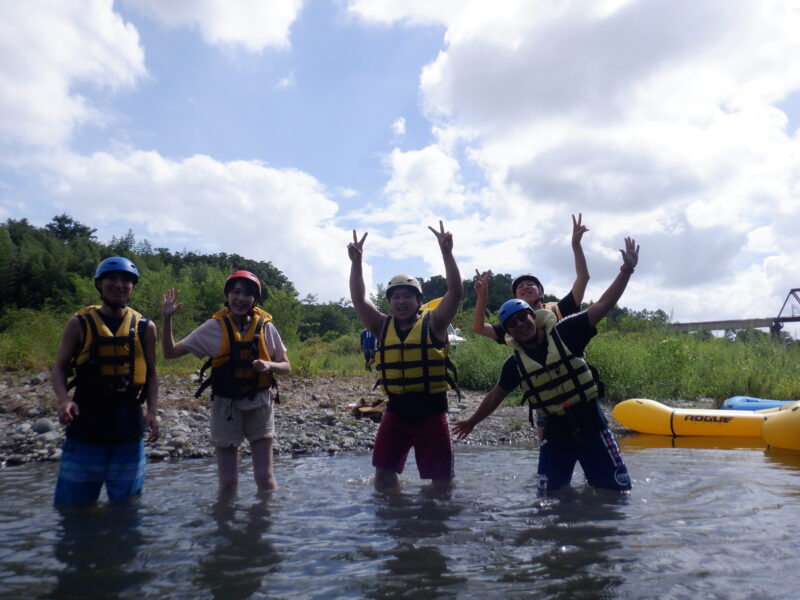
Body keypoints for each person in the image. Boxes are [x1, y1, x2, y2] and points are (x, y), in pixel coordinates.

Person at [453, 237, 639, 493]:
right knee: (548, 498)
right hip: (553, 428)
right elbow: (495, 395)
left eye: (523, 318)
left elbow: (602, 305)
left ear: (534, 315)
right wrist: (472, 421)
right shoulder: (515, 363)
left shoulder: (568, 330)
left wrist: (626, 271)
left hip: (590, 422)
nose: (520, 325)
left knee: (615, 494)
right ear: (507, 331)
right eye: (513, 324)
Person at [348, 222, 463, 491]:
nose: (400, 301)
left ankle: (435, 523)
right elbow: (358, 298)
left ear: (418, 301)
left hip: (431, 412)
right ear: (390, 301)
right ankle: (393, 520)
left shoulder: (435, 323)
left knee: (441, 484)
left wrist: (447, 253)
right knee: (383, 478)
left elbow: (455, 292)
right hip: (396, 412)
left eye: (407, 296)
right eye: (395, 297)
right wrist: (356, 262)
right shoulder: (380, 325)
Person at [161, 270, 290, 494]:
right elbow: (170, 353)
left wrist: (270, 366)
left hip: (260, 403)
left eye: (248, 294)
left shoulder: (266, 327)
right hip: (225, 406)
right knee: (229, 483)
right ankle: (226, 525)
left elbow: (287, 367)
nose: (241, 298)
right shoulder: (213, 327)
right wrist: (167, 317)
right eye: (236, 292)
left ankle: (265, 526)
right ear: (227, 295)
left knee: (265, 479)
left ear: (255, 300)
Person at [52, 256, 159, 506]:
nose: (119, 285)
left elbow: (152, 373)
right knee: (74, 508)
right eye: (112, 279)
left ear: (133, 286)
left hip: (128, 422)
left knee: (127, 506)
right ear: (100, 284)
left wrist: (152, 412)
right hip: (86, 421)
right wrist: (64, 400)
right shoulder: (79, 324)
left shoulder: (145, 327)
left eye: (126, 281)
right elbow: (59, 369)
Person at [471, 213, 590, 342]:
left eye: (530, 284)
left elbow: (583, 278)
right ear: (516, 299)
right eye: (520, 287)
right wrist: (482, 298)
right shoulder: (513, 323)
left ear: (541, 292)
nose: (525, 287)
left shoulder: (559, 310)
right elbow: (479, 328)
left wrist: (576, 245)